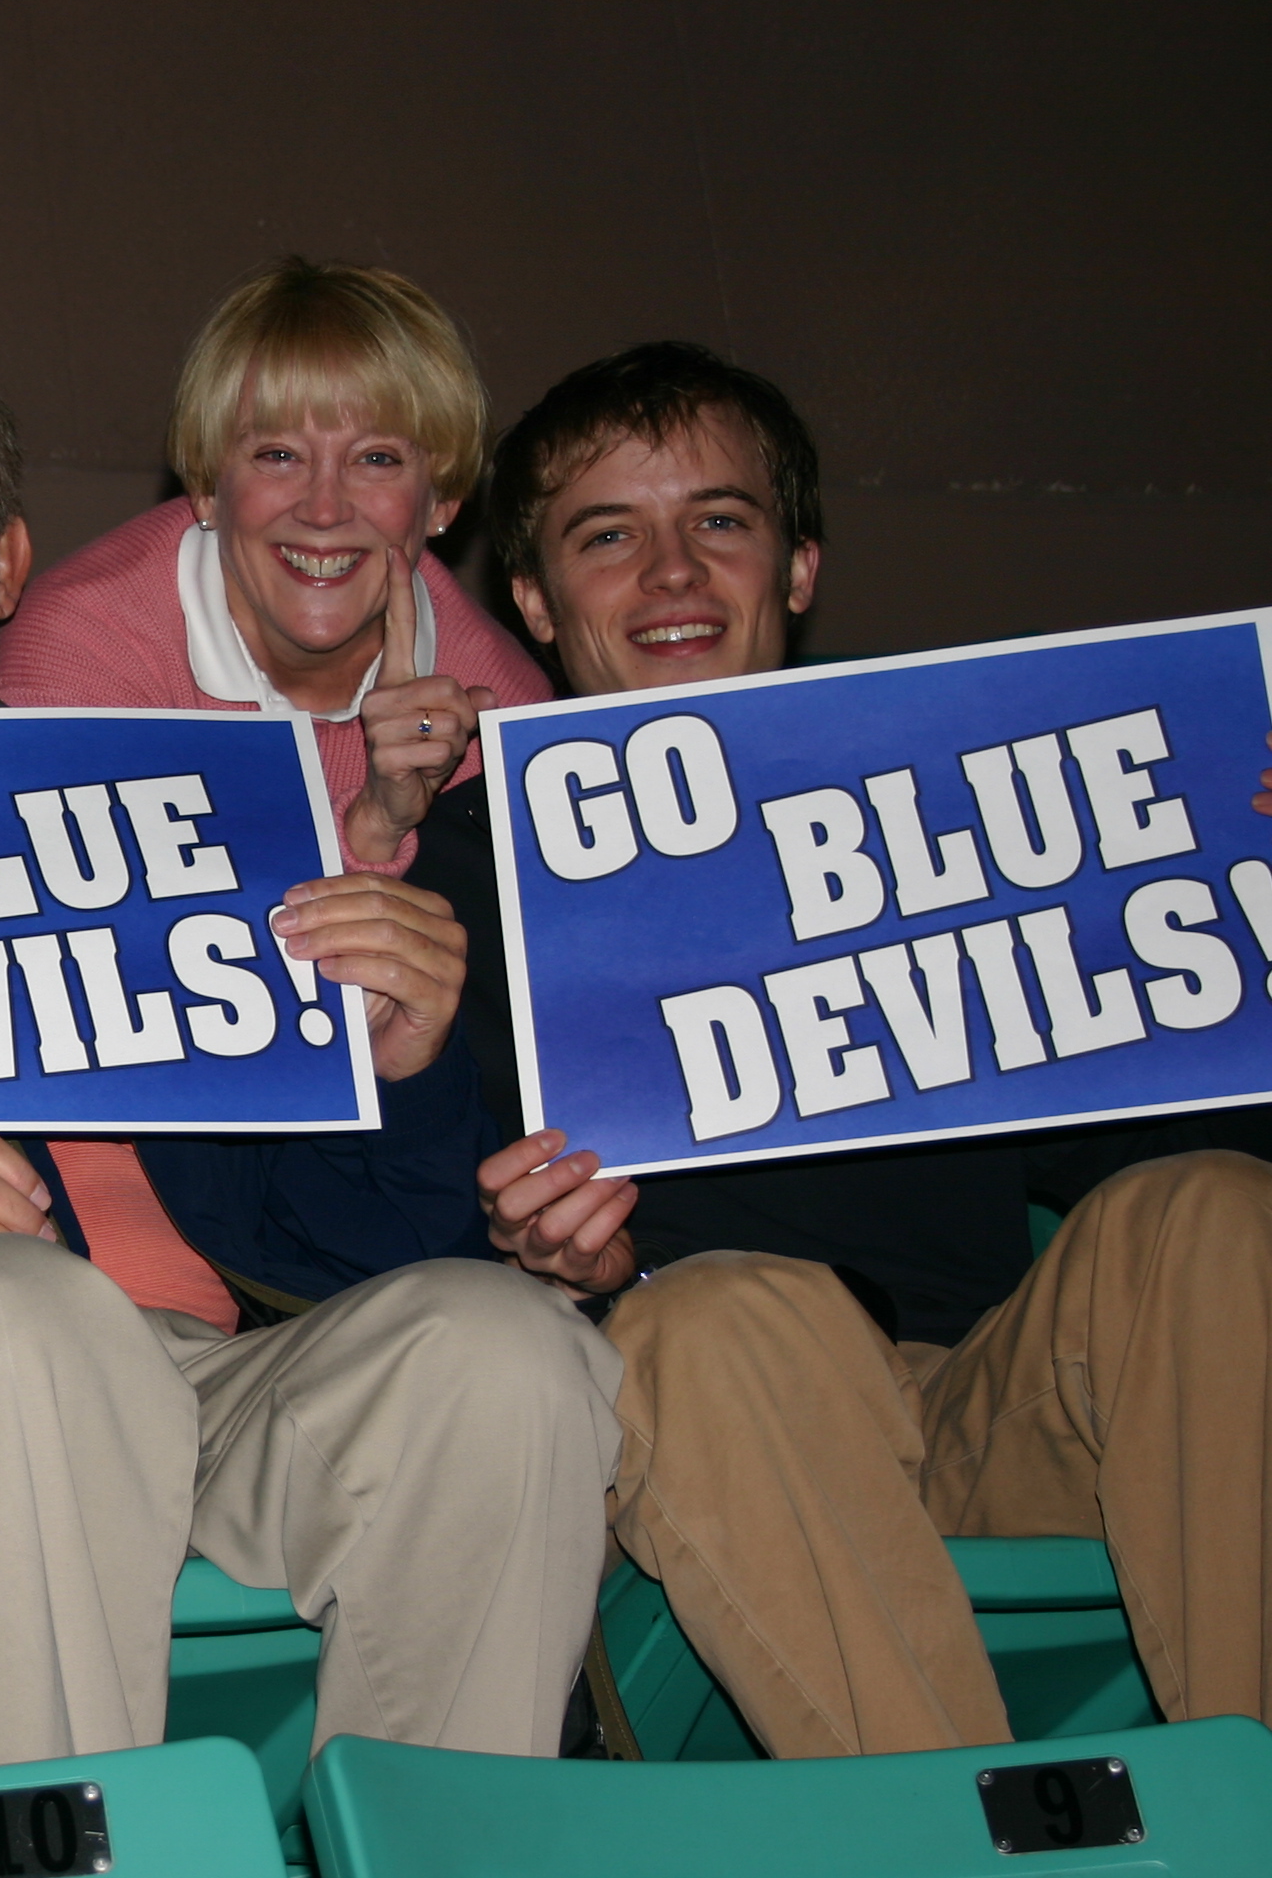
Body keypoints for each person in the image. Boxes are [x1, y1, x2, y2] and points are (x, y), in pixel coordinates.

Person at [0, 305, 622, 1772]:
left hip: (205, 1383)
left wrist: (406, 1069)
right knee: (22, 1321)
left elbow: (370, 1249)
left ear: (7, 564)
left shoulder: (156, 822)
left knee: (503, 1352)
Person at [429, 340, 1272, 1757]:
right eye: (607, 536)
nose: (673, 572)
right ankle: (963, 1861)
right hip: (709, 1427)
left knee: (1215, 1209)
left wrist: (1244, 909)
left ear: (799, 565)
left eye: (720, 520)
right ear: (534, 600)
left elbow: (1199, 1145)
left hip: (1000, 1405)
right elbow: (388, 1249)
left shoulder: (952, 802)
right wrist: (546, 1256)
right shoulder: (458, 876)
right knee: (719, 1313)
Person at [0, 259, 550, 873]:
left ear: (442, 501)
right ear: (208, 486)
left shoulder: (502, 716)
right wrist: (372, 827)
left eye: (377, 459)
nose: (324, 509)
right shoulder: (80, 650)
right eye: (279, 455)